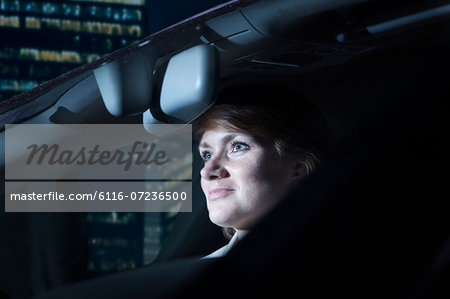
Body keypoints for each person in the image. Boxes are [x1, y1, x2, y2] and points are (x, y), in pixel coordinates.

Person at [195, 84, 329, 258]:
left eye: (238, 146)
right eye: (207, 155)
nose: (207, 171)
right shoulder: (188, 276)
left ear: (298, 167)